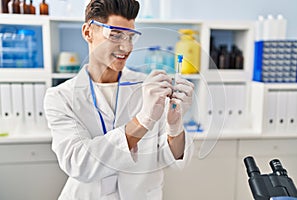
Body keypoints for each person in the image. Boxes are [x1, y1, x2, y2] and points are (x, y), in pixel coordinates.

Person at [44, 0, 195, 199]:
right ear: (88, 32)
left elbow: (171, 158)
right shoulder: (61, 97)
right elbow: (79, 163)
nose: (126, 46)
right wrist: (143, 120)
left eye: (131, 36)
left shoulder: (148, 88)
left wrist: (175, 127)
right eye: (115, 35)